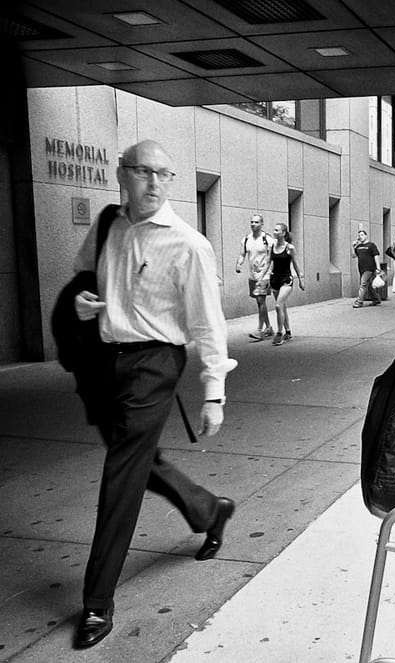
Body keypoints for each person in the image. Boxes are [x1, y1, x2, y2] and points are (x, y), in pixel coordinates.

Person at [70, 139, 239, 649]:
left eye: (164, 174)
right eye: (143, 171)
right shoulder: (106, 226)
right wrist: (83, 303)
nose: (154, 183)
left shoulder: (188, 243)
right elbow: (84, 282)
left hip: (156, 364)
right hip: (107, 361)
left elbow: (209, 324)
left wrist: (214, 392)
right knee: (138, 458)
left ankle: (97, 603)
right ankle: (210, 511)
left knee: (121, 475)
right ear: (122, 174)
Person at [235, 213, 275, 341]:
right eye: (252, 222)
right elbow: (242, 254)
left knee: (260, 300)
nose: (253, 224)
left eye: (256, 222)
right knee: (259, 302)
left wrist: (270, 272)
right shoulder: (246, 239)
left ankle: (259, 330)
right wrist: (239, 263)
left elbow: (273, 257)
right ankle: (268, 327)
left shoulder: (267, 239)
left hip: (264, 275)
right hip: (253, 275)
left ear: (262, 224)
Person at [264, 222, 305, 346]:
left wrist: (301, 280)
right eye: (274, 230)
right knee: (282, 307)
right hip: (274, 279)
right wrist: (261, 278)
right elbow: (267, 263)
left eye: (277, 230)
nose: (274, 232)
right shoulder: (272, 247)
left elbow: (296, 264)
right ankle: (288, 332)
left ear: (283, 233)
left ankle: (279, 333)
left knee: (278, 306)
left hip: (286, 279)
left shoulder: (289, 248)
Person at [352, 229, 382, 307]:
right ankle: (376, 299)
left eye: (362, 235)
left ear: (366, 235)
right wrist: (353, 247)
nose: (360, 237)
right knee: (368, 285)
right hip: (361, 268)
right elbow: (353, 255)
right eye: (359, 235)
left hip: (369, 269)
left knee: (363, 284)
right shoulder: (358, 246)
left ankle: (359, 302)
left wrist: (378, 267)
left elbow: (376, 256)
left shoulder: (371, 245)